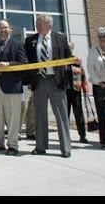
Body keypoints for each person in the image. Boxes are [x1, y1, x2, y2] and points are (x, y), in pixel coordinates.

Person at [24, 14, 73, 158]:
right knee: (39, 114)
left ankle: (66, 148)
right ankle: (40, 146)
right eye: (36, 23)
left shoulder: (60, 38)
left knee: (61, 115)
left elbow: (68, 57)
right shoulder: (30, 40)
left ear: (49, 24)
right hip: (39, 81)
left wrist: (75, 61)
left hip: (56, 80)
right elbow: (27, 62)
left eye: (40, 23)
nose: (37, 26)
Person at [0, 19, 28, 156]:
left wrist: (9, 64)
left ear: (10, 29)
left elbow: (23, 63)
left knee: (12, 118)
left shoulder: (18, 45)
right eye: (0, 27)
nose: (2, 30)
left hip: (12, 87)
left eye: (5, 27)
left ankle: (13, 145)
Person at [66, 41, 89, 143]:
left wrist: (85, 88)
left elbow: (82, 74)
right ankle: (65, 136)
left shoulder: (77, 60)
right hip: (64, 90)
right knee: (65, 114)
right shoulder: (60, 59)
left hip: (76, 89)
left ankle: (82, 135)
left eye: (70, 48)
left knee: (79, 113)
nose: (69, 50)